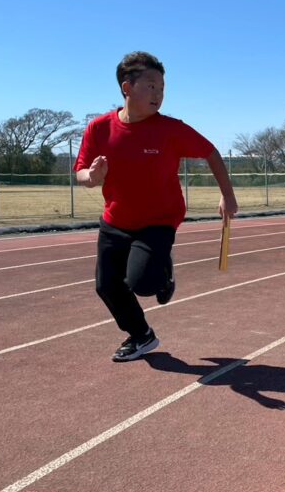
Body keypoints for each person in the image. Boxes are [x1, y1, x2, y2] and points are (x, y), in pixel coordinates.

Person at [76, 51, 238, 362]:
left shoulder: (171, 129)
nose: (158, 94)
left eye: (162, 88)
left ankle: (162, 271)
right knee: (106, 286)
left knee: (143, 283)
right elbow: (81, 172)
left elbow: (211, 152)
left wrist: (227, 196)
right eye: (151, 86)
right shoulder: (99, 128)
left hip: (159, 219)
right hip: (116, 220)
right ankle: (141, 335)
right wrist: (92, 177)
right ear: (127, 88)